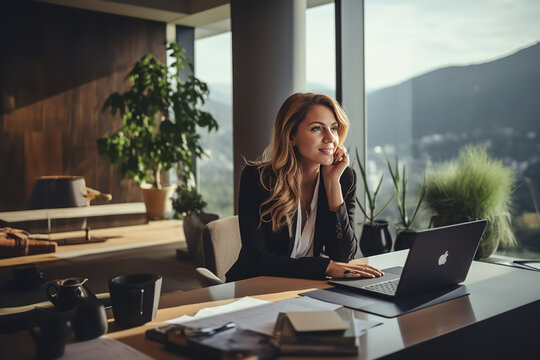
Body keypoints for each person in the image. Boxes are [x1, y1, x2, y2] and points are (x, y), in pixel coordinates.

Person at [226, 93, 383, 282]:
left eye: (333, 128)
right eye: (317, 128)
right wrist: (325, 267)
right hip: (254, 287)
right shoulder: (258, 179)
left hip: (305, 287)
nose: (330, 138)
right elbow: (258, 259)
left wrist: (332, 183)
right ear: (291, 135)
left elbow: (343, 255)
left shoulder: (344, 178)